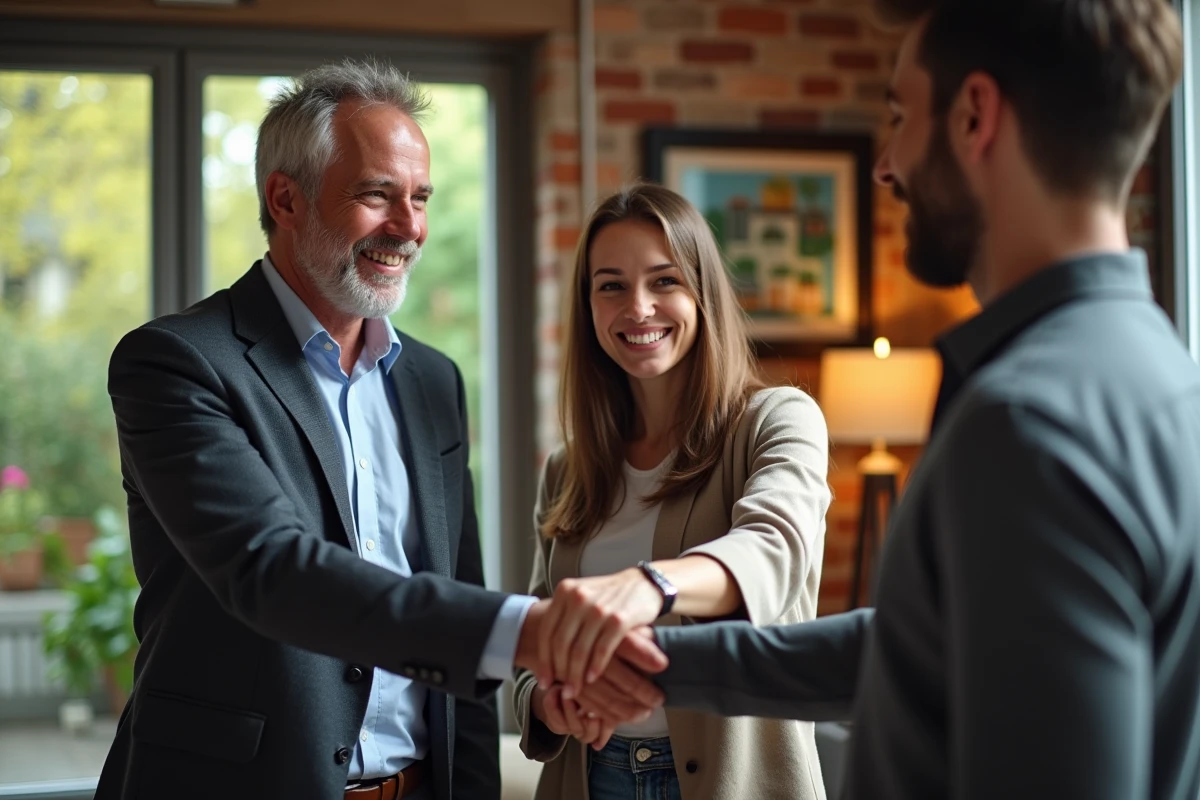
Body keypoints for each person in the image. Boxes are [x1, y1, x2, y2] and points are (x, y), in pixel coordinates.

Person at [647, 1, 1200, 798]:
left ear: (974, 115)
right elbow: (925, 644)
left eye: (901, 115)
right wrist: (654, 663)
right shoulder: (1163, 376)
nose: (885, 165)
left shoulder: (1027, 426)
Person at [97, 60, 664, 800]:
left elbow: (453, 583)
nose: (409, 227)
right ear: (285, 199)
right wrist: (529, 631)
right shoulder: (175, 363)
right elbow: (272, 568)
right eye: (377, 195)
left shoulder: (432, 380)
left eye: (421, 198)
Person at [512, 184, 833, 800]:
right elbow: (536, 637)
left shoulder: (777, 420)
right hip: (593, 774)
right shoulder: (567, 468)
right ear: (588, 307)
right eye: (611, 285)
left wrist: (650, 585)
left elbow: (774, 550)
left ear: (701, 293)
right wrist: (548, 702)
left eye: (664, 281)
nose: (638, 308)